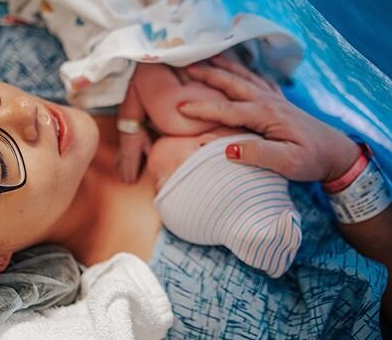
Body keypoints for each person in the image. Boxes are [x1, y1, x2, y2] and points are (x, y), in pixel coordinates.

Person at [0, 43, 392, 340]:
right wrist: (344, 169)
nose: (23, 114)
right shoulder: (223, 317)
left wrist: (150, 27)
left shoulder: (29, 57)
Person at [118, 60, 302, 278]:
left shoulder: (260, 124)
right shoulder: (178, 117)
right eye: (160, 180)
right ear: (204, 145)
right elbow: (145, 65)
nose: (152, 176)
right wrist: (130, 123)